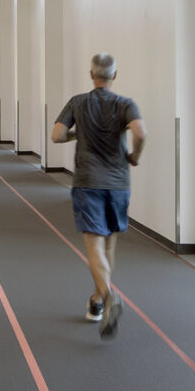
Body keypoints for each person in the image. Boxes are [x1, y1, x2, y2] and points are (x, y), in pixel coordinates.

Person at [51, 53, 145, 338]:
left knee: (93, 249)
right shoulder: (125, 104)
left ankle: (108, 298)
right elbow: (141, 133)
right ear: (114, 76)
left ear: (91, 74)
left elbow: (56, 135)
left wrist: (77, 135)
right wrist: (134, 156)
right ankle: (96, 302)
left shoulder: (78, 102)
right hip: (118, 184)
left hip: (88, 182)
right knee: (109, 247)